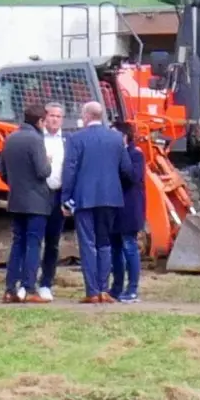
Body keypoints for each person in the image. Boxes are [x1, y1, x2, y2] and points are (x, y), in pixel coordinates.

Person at [61, 101, 135, 304]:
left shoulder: (76, 139)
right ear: (101, 116)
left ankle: (92, 291)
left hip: (84, 198)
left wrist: (65, 198)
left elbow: (70, 170)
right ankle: (104, 289)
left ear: (86, 116)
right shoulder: (116, 138)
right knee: (105, 243)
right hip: (111, 198)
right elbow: (127, 169)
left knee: (88, 244)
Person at [0, 102, 53, 304]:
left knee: (17, 243)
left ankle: (10, 288)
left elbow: (2, 172)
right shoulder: (36, 140)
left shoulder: (10, 138)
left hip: (16, 199)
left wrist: (16, 185)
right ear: (40, 121)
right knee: (33, 244)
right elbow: (43, 172)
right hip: (37, 202)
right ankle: (29, 288)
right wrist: (48, 161)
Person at [109, 121, 147, 303]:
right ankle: (116, 287)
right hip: (114, 207)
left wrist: (122, 153)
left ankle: (132, 288)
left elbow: (133, 176)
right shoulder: (111, 156)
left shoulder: (136, 154)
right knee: (115, 248)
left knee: (129, 246)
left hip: (130, 208)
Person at [36, 102, 67, 302]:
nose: (54, 119)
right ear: (44, 117)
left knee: (53, 242)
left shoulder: (68, 140)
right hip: (38, 194)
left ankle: (47, 282)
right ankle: (28, 280)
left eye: (58, 116)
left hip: (58, 195)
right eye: (51, 115)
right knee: (33, 239)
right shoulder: (36, 139)